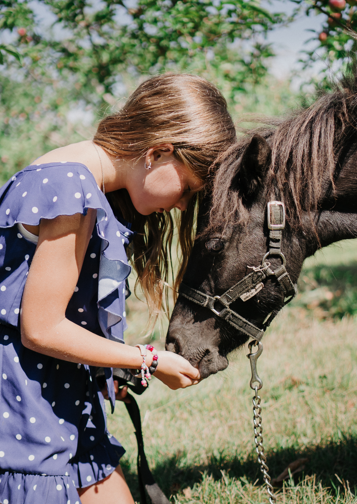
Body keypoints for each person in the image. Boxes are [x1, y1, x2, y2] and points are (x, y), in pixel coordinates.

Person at [0, 74, 236, 504]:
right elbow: (41, 327)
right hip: (25, 398)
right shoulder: (70, 186)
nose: (182, 205)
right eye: (186, 188)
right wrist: (146, 359)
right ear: (159, 151)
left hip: (57, 386)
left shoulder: (79, 181)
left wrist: (109, 366)